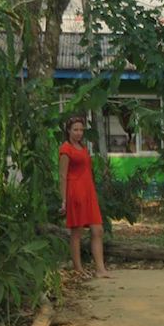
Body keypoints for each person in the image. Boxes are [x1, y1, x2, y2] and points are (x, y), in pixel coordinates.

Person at [59, 115, 109, 278]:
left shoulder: (83, 148)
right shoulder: (66, 149)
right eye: (75, 129)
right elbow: (62, 175)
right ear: (68, 130)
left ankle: (100, 269)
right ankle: (78, 268)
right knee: (77, 231)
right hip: (75, 192)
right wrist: (64, 200)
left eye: (81, 129)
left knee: (98, 230)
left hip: (89, 192)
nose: (79, 133)